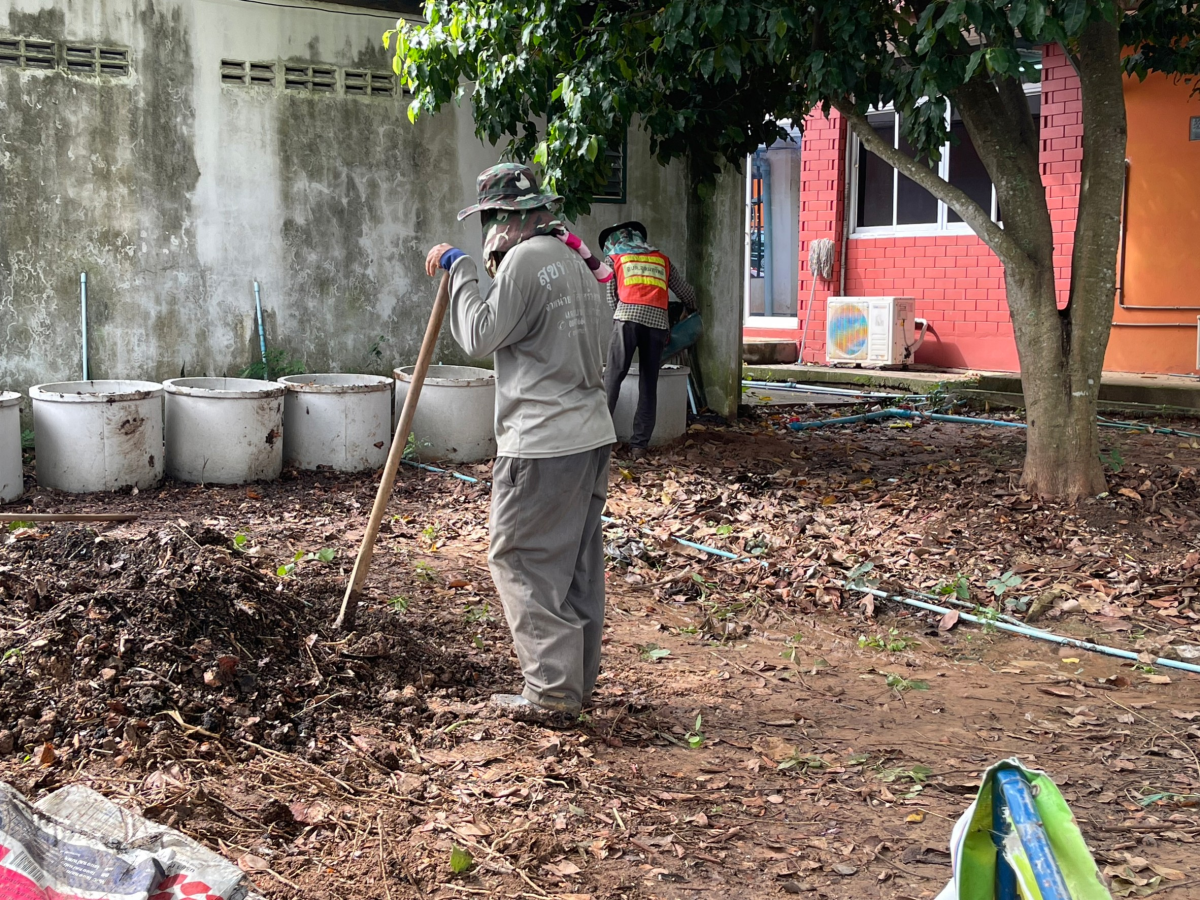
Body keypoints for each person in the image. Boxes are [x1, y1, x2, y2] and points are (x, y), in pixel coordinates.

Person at [424, 163, 615, 727]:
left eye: (489, 219)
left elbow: (480, 335)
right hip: (588, 432)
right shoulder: (574, 263)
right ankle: (574, 682)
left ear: (509, 217)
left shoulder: (528, 260)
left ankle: (553, 691)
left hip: (542, 441)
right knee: (574, 562)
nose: (487, 231)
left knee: (519, 558)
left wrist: (460, 271)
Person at [599, 221, 697, 459]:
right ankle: (639, 447)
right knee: (648, 384)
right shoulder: (661, 259)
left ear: (614, 241)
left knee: (612, 379)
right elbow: (687, 292)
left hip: (626, 320)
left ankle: (599, 442)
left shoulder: (614, 259)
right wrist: (690, 310)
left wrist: (621, 317)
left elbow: (612, 297)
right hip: (656, 325)